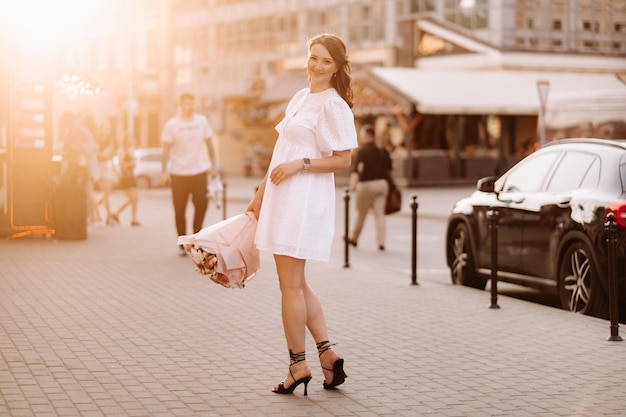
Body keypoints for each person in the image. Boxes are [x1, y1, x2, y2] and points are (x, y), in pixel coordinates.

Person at [247, 33, 357, 396]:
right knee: (298, 283)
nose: (318, 65)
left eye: (327, 60)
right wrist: (259, 199)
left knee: (290, 285)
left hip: (304, 199)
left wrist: (302, 165)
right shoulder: (299, 97)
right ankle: (327, 355)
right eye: (314, 57)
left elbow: (343, 159)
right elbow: (281, 152)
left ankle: (297, 364)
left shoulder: (333, 105)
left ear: (338, 66)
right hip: (283, 196)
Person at [161, 93, 218, 256]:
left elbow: (209, 143)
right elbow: (165, 149)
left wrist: (213, 165)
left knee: (201, 205)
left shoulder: (202, 121)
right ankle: (183, 243)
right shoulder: (172, 124)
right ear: (180, 105)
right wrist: (163, 171)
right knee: (179, 209)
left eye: (193, 104)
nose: (191, 107)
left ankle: (196, 238)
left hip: (199, 171)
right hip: (178, 173)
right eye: (187, 104)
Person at [347, 124, 391, 251]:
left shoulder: (362, 151)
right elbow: (389, 167)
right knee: (380, 215)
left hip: (366, 185)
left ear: (366, 136)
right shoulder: (382, 150)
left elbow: (357, 170)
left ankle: (354, 238)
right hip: (382, 185)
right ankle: (381, 242)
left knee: (361, 213)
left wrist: (352, 185)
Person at [111, 136, 140, 226]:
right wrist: (131, 163)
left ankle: (133, 219)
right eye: (129, 140)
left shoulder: (129, 150)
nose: (131, 141)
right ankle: (115, 214)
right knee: (132, 198)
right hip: (126, 177)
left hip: (131, 176)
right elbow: (121, 164)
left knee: (135, 198)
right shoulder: (122, 150)